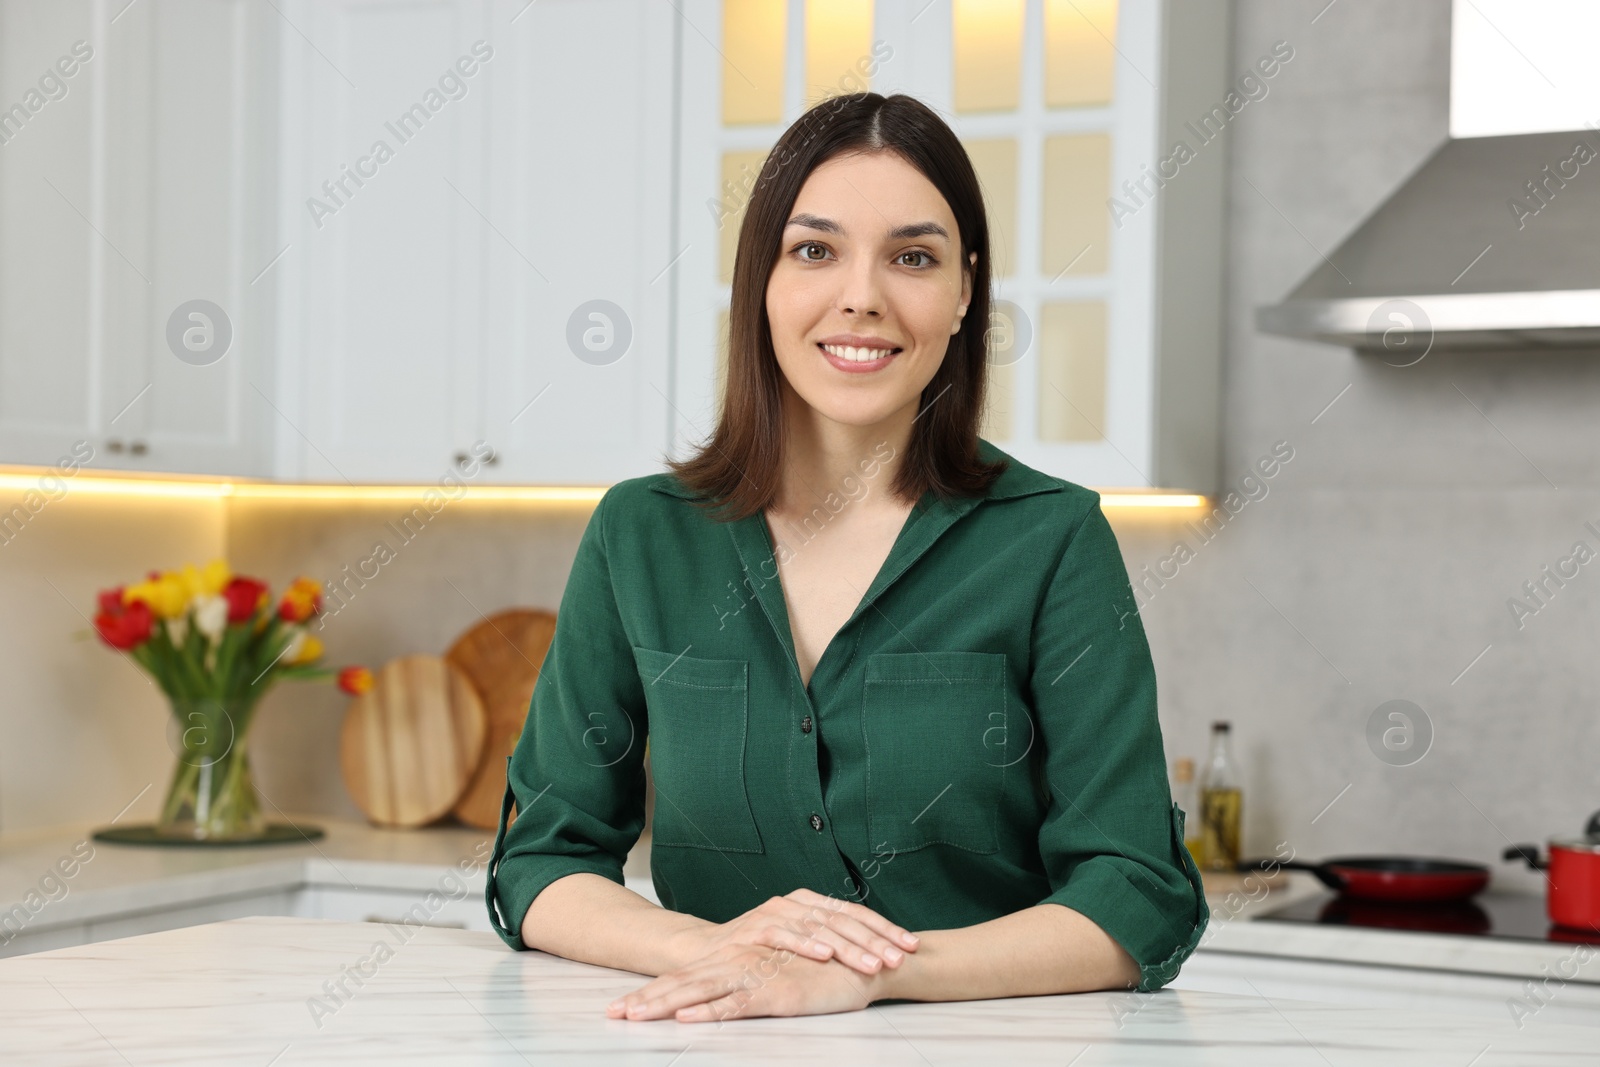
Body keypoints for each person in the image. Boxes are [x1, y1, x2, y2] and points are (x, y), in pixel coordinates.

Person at [484, 91, 1207, 1023]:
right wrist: (718, 948)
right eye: (815, 249)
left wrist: (877, 969)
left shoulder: (1052, 538)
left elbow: (1135, 892)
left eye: (912, 257)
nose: (861, 294)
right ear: (763, 284)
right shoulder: (641, 533)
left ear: (963, 294)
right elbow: (543, 856)